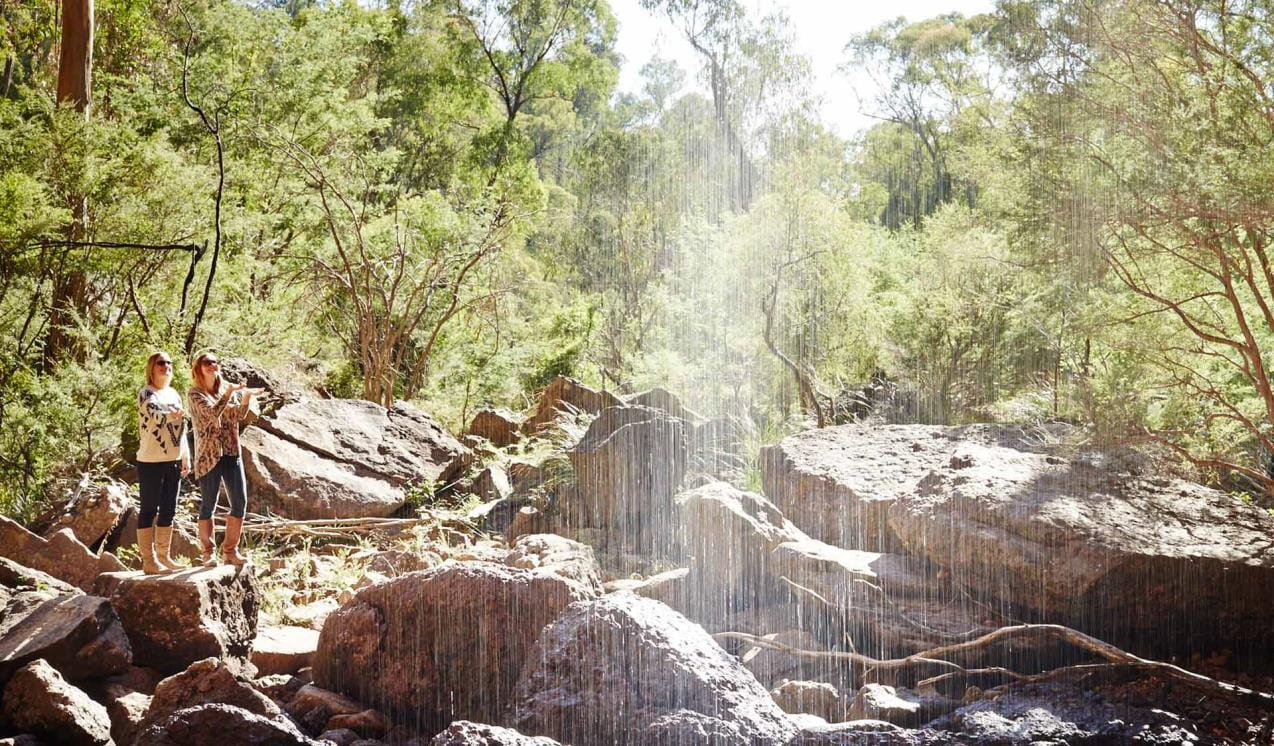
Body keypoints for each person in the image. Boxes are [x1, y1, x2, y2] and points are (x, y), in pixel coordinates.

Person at [188, 352, 261, 566]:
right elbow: (213, 414)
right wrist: (229, 393)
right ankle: (208, 553)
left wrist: (246, 397)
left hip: (230, 452)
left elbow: (236, 416)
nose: (212, 365)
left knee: (240, 502)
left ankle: (230, 551)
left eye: (214, 362)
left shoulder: (224, 389)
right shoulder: (194, 394)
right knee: (208, 503)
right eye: (206, 362)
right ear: (198, 368)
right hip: (208, 455)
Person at [135, 351, 191, 574]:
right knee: (149, 508)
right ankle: (148, 561)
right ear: (152, 367)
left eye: (169, 363)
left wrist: (186, 456)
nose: (165, 366)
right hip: (150, 460)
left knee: (169, 509)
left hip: (173, 460)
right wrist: (173, 414)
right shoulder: (146, 393)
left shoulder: (174, 394)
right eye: (161, 363)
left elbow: (182, 429)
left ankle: (163, 557)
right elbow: (156, 415)